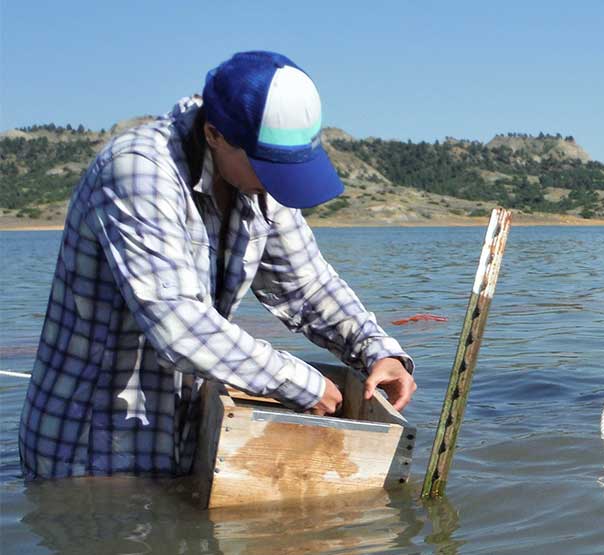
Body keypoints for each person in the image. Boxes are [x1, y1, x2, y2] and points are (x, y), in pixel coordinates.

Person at [19, 51, 416, 479]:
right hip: (86, 450)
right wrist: (303, 383)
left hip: (179, 442)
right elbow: (179, 324)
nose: (274, 185)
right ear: (214, 134)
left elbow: (308, 287)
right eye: (267, 167)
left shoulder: (254, 183)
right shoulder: (139, 171)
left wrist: (379, 351)